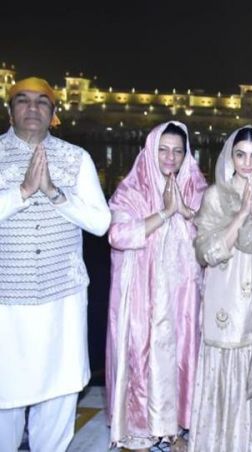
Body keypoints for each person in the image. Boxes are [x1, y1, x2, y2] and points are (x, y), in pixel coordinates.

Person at [0, 77, 110, 452]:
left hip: (61, 298)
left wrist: (53, 193)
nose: (32, 109)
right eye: (23, 101)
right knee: (4, 399)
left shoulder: (76, 159)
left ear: (53, 113)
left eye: (42, 103)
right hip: (6, 302)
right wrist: (21, 193)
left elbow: (100, 222)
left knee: (58, 396)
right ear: (9, 109)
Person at [106, 121, 207, 451]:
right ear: (150, 150)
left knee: (181, 355)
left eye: (178, 151)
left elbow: (212, 232)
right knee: (143, 354)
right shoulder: (132, 189)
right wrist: (165, 213)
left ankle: (175, 426)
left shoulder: (195, 185)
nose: (170, 157)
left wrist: (185, 211)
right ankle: (140, 426)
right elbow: (118, 235)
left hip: (183, 294)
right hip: (143, 295)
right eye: (163, 149)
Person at [189, 126, 252, 451]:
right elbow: (206, 252)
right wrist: (241, 215)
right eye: (241, 155)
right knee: (226, 377)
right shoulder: (216, 195)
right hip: (227, 303)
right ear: (231, 158)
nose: (248, 163)